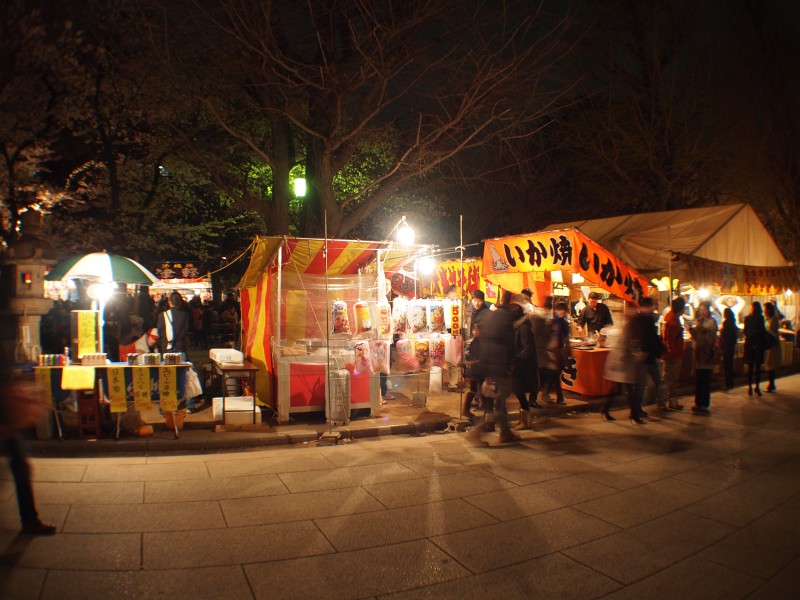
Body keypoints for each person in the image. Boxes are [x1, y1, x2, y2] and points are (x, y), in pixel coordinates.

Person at [1, 310, 56, 536]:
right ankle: (30, 520)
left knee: (20, 466)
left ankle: (30, 519)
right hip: (4, 408)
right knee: (20, 466)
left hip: (6, 405)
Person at [466, 296, 521, 446]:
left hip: (487, 363)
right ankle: (477, 432)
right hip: (497, 365)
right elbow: (509, 346)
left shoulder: (491, 315)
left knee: (499, 402)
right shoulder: (508, 319)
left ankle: (505, 432)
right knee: (498, 399)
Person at [627, 297, 664, 423]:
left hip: (644, 356)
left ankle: (640, 408)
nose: (653, 308)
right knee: (643, 385)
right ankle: (637, 410)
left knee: (646, 384)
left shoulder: (639, 319)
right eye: (652, 306)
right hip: (644, 356)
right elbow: (651, 337)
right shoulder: (645, 319)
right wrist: (660, 350)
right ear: (647, 306)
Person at [511, 294, 538, 430]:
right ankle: (524, 419)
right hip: (522, 364)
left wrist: (517, 359)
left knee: (519, 391)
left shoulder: (523, 328)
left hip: (524, 366)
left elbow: (528, 348)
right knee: (518, 391)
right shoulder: (519, 326)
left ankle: (526, 421)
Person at [690, 301, 718, 414]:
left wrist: (702, 330)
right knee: (699, 380)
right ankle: (698, 403)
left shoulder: (712, 322)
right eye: (700, 310)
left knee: (705, 380)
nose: (702, 312)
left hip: (706, 355)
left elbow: (711, 338)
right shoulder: (699, 321)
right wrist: (693, 331)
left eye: (704, 310)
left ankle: (704, 404)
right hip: (698, 354)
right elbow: (696, 337)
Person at [541, 299, 571, 406]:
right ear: (556, 310)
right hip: (552, 352)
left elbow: (566, 338)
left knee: (554, 374)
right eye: (560, 310)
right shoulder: (553, 321)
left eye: (564, 310)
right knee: (555, 374)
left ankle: (546, 393)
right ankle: (559, 397)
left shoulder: (564, 323)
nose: (562, 312)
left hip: (558, 352)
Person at [661, 296, 686, 410]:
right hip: (672, 355)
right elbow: (669, 341)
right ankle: (665, 402)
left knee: (670, 380)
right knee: (670, 380)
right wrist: (673, 355)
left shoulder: (671, 318)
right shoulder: (672, 321)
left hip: (671, 354)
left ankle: (670, 402)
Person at [743, 301, 767, 397]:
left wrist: (750, 336)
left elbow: (745, 331)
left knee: (750, 366)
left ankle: (749, 387)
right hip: (758, 344)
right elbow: (762, 331)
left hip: (749, 344)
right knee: (757, 367)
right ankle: (757, 387)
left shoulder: (747, 318)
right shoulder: (760, 318)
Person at [763, 301, 782, 392]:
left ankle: (771, 384)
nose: (764, 311)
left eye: (765, 309)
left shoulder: (774, 319)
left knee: (771, 363)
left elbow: (773, 331)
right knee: (769, 363)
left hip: (773, 343)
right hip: (768, 342)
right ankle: (771, 384)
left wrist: (766, 331)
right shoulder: (767, 319)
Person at [719, 307, 739, 390]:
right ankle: (730, 383)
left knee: (727, 365)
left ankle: (727, 383)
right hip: (731, 346)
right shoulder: (733, 323)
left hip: (727, 346)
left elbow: (723, 334)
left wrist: (721, 331)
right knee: (730, 365)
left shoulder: (726, 323)